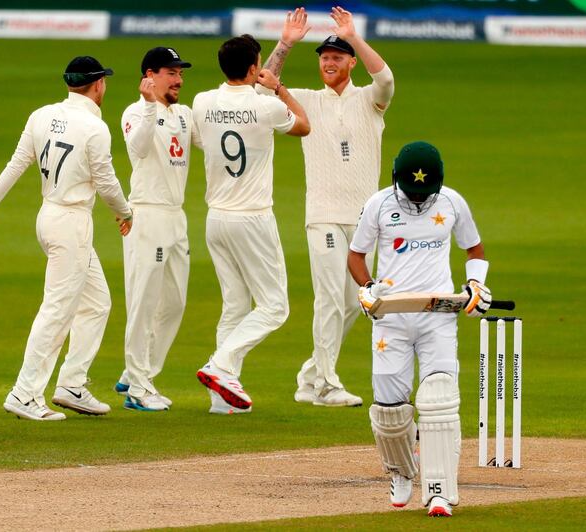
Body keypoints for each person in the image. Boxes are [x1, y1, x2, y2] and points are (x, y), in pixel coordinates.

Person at [0, 56, 133, 421]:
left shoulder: (42, 115)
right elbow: (106, 182)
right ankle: (24, 393)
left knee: (97, 302)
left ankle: (72, 385)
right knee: (57, 310)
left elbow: (17, 162)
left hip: (49, 218)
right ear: (99, 84)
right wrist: (126, 212)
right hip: (71, 225)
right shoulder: (95, 128)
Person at [347, 141, 493, 517]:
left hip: (437, 314)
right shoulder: (379, 204)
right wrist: (366, 289)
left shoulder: (451, 203)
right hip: (391, 317)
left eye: (425, 194)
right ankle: (400, 472)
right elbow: (355, 255)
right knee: (390, 411)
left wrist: (475, 286)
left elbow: (474, 250)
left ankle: (440, 491)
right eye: (412, 194)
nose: (417, 200)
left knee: (440, 399)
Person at [262, 7, 395, 407]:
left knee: (360, 299)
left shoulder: (371, 101)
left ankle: (310, 375)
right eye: (324, 57)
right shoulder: (304, 100)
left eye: (337, 56)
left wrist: (353, 36)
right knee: (328, 299)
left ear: (351, 61)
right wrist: (285, 44)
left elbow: (385, 78)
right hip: (323, 216)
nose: (329, 62)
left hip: (364, 218)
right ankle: (326, 384)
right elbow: (261, 89)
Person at [192, 34, 310, 414]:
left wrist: (282, 47)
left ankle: (222, 400)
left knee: (235, 305)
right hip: (252, 218)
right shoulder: (266, 107)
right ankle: (221, 366)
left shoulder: (202, 102)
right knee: (275, 307)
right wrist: (281, 89)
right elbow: (304, 125)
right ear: (253, 68)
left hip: (216, 219)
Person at [114, 47, 196, 412]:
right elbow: (138, 148)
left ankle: (137, 374)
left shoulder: (183, 114)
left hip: (176, 216)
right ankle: (138, 387)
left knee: (175, 302)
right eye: (171, 72)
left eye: (180, 73)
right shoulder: (134, 111)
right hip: (147, 214)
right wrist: (149, 106)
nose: (178, 79)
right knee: (143, 302)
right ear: (150, 75)